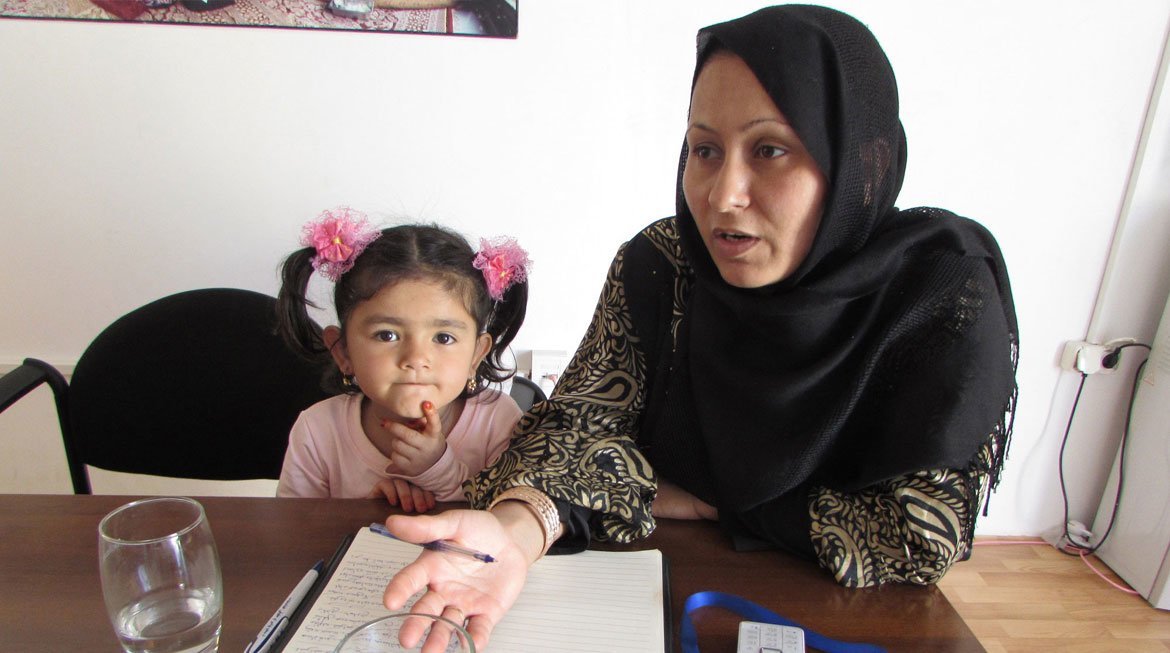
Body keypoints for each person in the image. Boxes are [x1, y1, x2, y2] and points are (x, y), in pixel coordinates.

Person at [378, 5, 1018, 650]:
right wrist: (516, 531)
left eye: (770, 150)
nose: (721, 194)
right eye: (705, 150)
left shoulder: (937, 289)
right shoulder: (664, 264)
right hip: (657, 598)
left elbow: (915, 536)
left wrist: (709, 502)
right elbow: (575, 430)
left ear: (865, 166)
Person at [274, 207, 531, 512]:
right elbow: (294, 530)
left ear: (476, 354)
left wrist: (438, 468)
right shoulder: (318, 430)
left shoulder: (498, 422)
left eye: (443, 338)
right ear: (343, 352)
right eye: (387, 335)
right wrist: (365, 512)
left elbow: (507, 526)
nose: (416, 359)